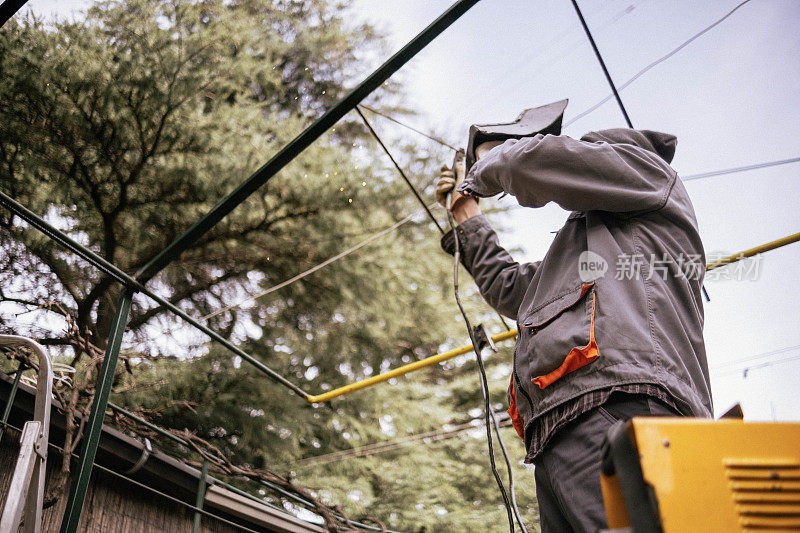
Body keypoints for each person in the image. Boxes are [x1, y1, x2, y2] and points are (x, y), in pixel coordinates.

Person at [436, 129, 713, 532]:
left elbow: (533, 162)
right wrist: (467, 214)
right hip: (559, 426)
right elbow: (508, 286)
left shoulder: (649, 174)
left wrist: (485, 159)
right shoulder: (586, 252)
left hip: (622, 401)